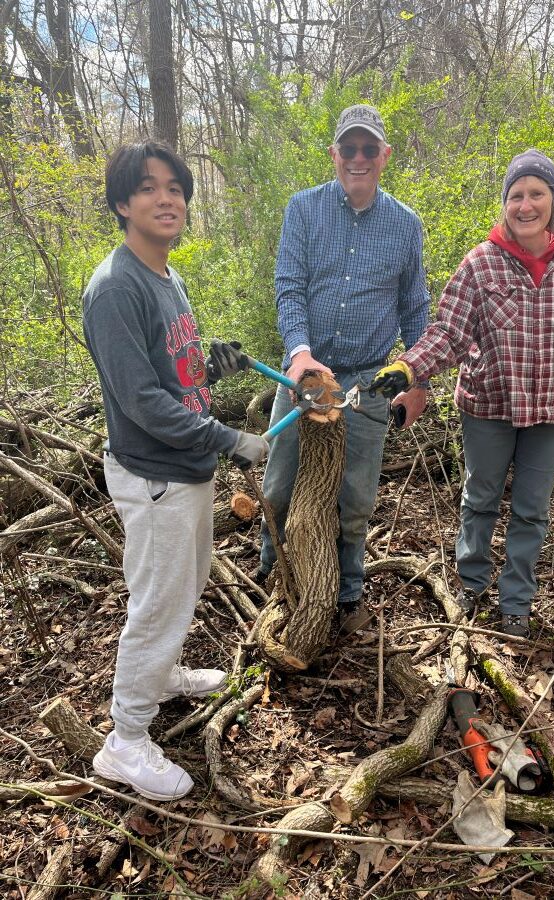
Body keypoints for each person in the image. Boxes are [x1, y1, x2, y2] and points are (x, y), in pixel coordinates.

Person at [83, 140, 268, 800]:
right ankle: (125, 740)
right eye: (149, 187)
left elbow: (172, 375)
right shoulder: (115, 289)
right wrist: (232, 440)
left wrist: (211, 367)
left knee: (182, 590)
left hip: (184, 470)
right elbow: (141, 401)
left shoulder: (164, 274)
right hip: (156, 475)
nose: (168, 199)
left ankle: (160, 679)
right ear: (122, 203)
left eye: (176, 187)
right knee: (157, 605)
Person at [369, 149, 554, 638]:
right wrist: (407, 367)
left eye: (536, 194)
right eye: (516, 195)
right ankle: (471, 583)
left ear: (553, 200)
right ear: (505, 203)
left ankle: (516, 603)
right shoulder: (481, 263)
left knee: (531, 509)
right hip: (488, 405)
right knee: (480, 499)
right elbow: (449, 333)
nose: (526, 205)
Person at [257, 104, 430, 618]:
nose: (358, 157)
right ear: (334, 154)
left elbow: (415, 305)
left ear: (384, 156)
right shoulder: (303, 209)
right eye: (348, 148)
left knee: (355, 497)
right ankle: (274, 571)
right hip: (306, 370)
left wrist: (417, 380)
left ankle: (347, 590)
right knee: (280, 482)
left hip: (366, 382)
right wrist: (300, 352)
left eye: (368, 148)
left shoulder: (405, 225)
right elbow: (289, 286)